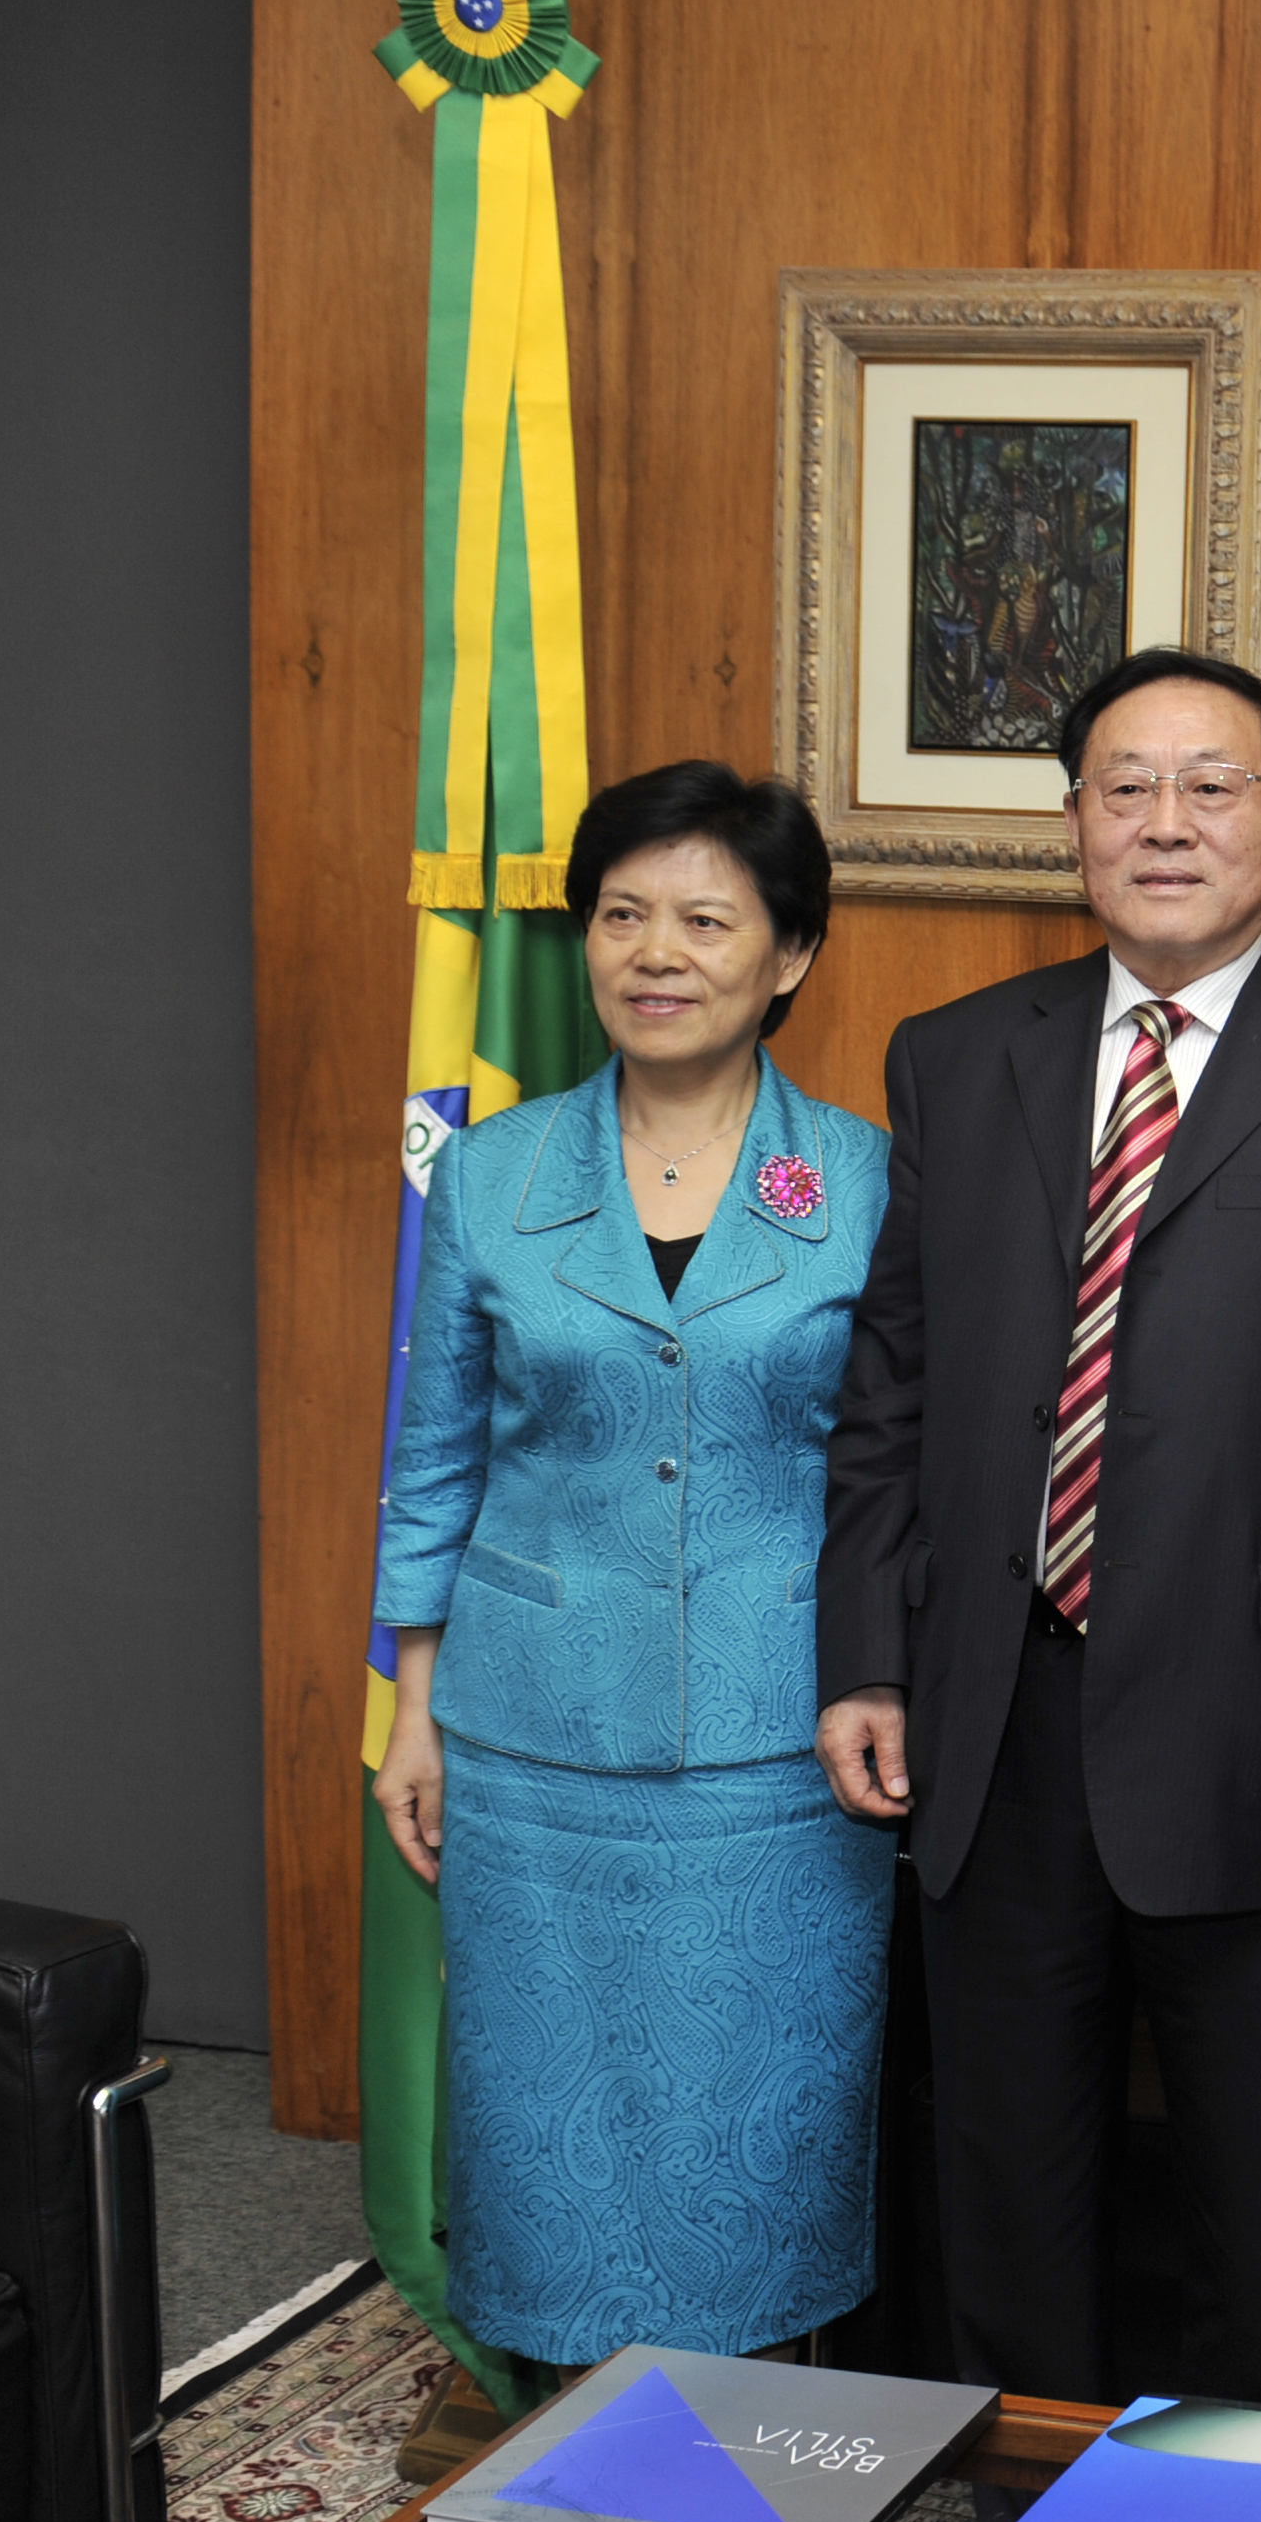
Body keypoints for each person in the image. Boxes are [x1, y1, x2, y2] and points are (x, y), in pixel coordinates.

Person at [818, 646, 1261, 2407]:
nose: (1166, 823)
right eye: (1125, 788)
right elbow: (893, 1386)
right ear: (1074, 824)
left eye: (1213, 787)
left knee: (1256, 2205)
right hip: (994, 1715)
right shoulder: (958, 1058)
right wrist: (870, 1658)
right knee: (1005, 2190)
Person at [372, 760, 891, 2375]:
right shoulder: (493, 1174)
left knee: (765, 2126)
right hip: (530, 1739)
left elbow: (902, 1468)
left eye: (706, 921)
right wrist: (413, 1705)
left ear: (790, 954)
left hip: (784, 1742)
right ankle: (559, 2461)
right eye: (621, 915)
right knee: (549, 2131)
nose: (657, 953)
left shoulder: (867, 1181)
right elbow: (435, 1457)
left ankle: (762, 2464)